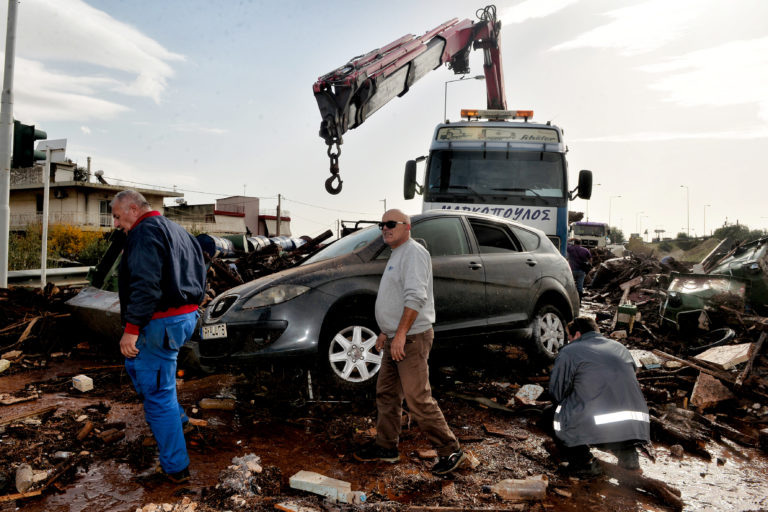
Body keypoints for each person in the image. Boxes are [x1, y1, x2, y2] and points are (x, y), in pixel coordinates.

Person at [353, 209, 465, 476]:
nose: (385, 229)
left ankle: (450, 450)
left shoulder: (414, 253)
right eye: (382, 225)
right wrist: (386, 332)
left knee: (417, 399)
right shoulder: (397, 255)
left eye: (391, 224)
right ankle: (386, 447)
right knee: (388, 395)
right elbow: (396, 298)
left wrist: (401, 334)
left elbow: (416, 297)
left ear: (407, 227)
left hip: (411, 338)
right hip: (396, 337)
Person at [111, 190, 206, 484]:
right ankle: (180, 424)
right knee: (141, 371)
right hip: (184, 317)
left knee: (157, 395)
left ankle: (175, 469)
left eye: (116, 216)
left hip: (160, 323)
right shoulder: (176, 230)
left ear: (133, 208)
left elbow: (146, 286)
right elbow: (202, 271)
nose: (115, 224)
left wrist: (131, 330)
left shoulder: (143, 233)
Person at [547, 316, 650, 477]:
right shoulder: (620, 348)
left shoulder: (570, 351)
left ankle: (583, 462)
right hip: (635, 424)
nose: (569, 341)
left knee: (550, 414)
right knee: (613, 412)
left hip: (599, 423)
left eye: (569, 337)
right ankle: (629, 458)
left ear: (578, 334)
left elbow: (557, 393)